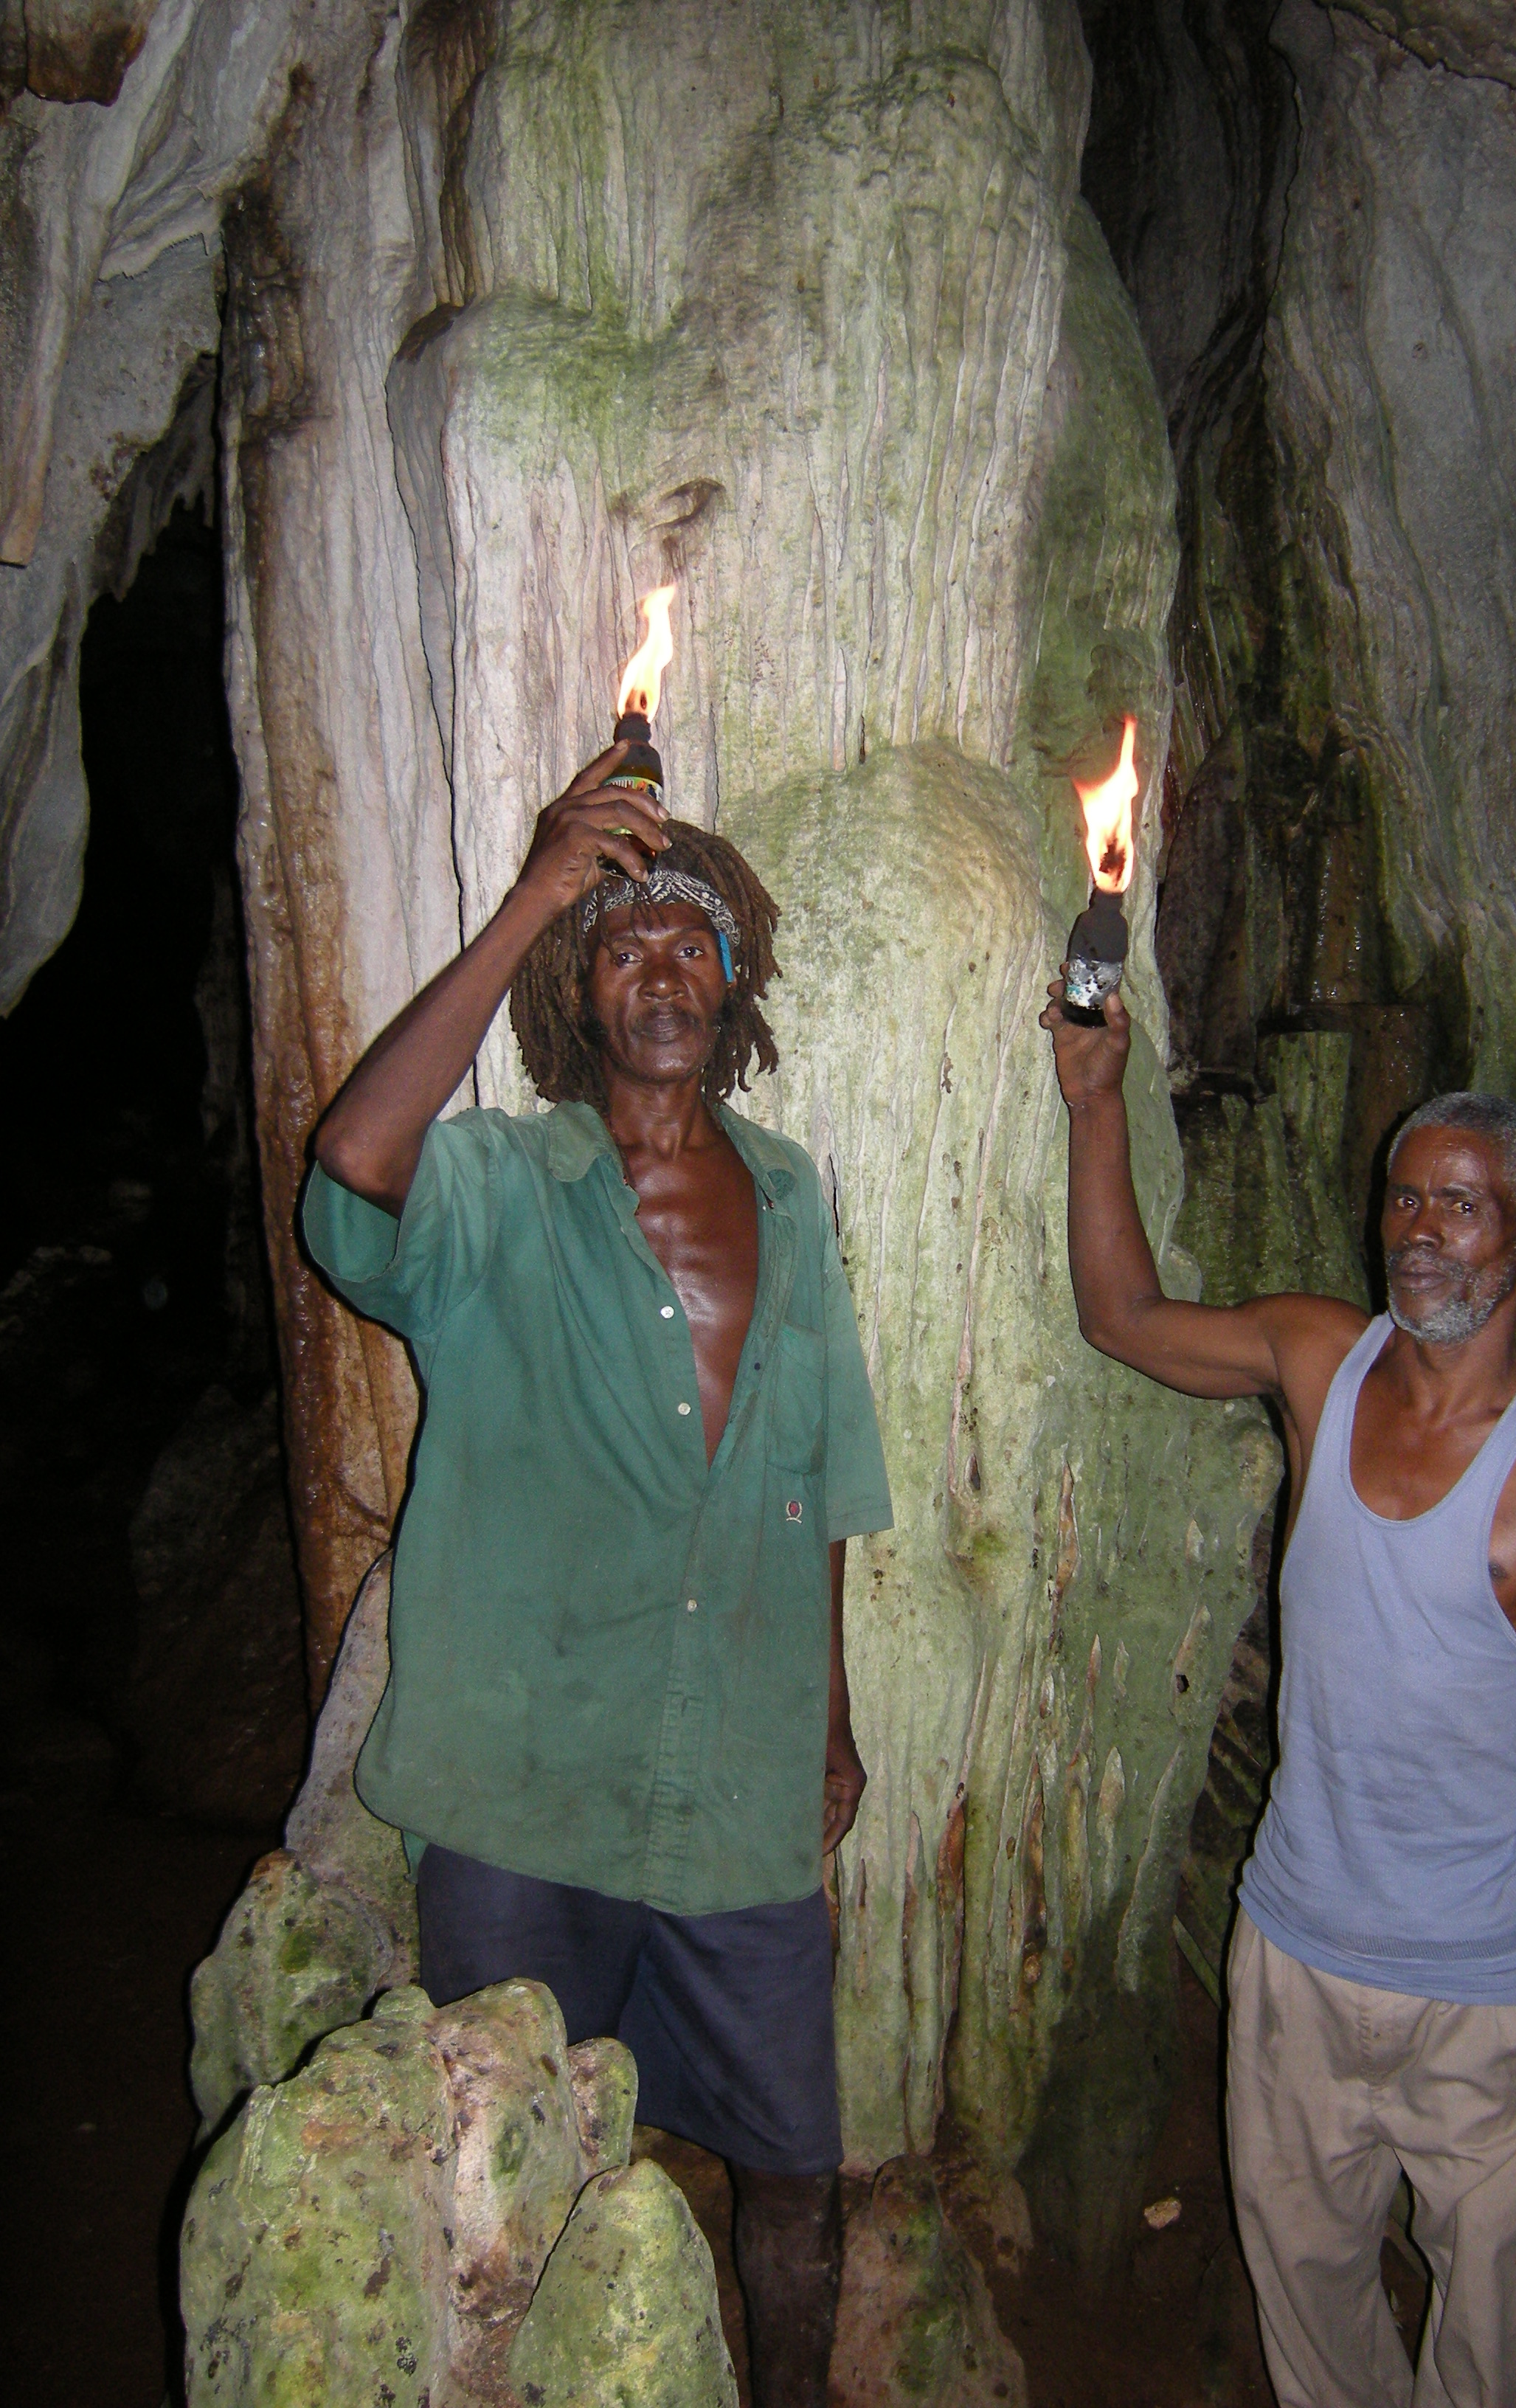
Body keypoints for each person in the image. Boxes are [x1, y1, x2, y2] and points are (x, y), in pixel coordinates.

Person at [305, 744, 893, 2408]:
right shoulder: (502, 1183)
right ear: (577, 989)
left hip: (735, 1782)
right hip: (526, 1780)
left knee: (793, 2160)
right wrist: (536, 895)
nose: (661, 969)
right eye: (623, 944)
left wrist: (828, 1725)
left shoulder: (791, 1193)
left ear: (733, 981)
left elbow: (821, 1477)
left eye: (691, 942)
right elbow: (354, 1161)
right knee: (509, 2161)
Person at [1040, 983, 1516, 2408]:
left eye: (1461, 1204)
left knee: (1485, 2351)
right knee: (1316, 2324)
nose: (1419, 1229)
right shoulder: (1318, 1359)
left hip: (1489, 1990)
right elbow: (1122, 1317)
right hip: (1294, 1951)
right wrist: (1095, 1096)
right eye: (1404, 1198)